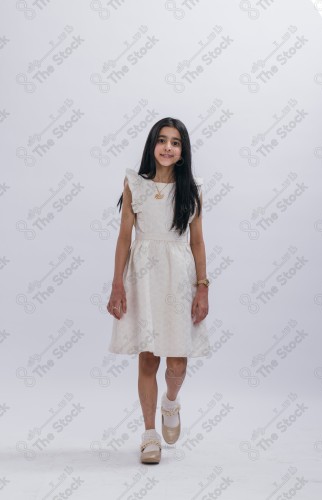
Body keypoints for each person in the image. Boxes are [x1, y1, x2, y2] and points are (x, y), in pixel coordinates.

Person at [106, 117, 211, 464]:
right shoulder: (134, 184)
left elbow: (196, 241)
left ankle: (171, 402)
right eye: (162, 140)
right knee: (148, 356)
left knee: (177, 362)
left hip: (178, 277)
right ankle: (149, 434)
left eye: (176, 142)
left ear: (182, 152)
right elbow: (124, 237)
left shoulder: (190, 191)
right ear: (153, 145)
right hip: (143, 276)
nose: (168, 147)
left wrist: (202, 288)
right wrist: (117, 283)